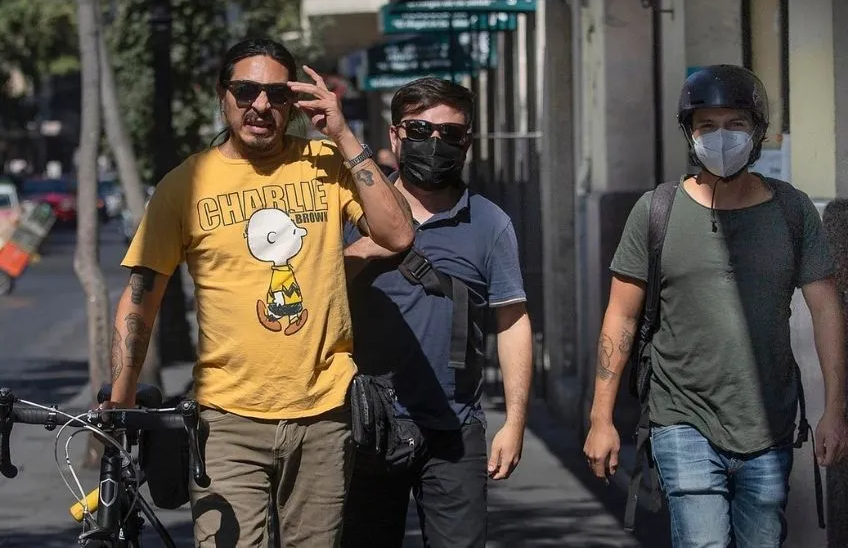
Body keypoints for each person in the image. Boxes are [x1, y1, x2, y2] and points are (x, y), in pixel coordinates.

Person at [105, 38, 414, 548]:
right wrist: (118, 406)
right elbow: (141, 298)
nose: (262, 106)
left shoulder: (325, 163)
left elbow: (398, 234)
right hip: (226, 423)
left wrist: (342, 133)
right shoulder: (185, 185)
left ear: (293, 102)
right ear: (223, 95)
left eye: (276, 93)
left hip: (323, 413)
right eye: (246, 90)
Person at [582, 64, 848, 547]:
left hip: (768, 421)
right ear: (690, 133)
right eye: (707, 126)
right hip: (681, 416)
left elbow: (827, 308)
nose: (721, 138)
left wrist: (835, 408)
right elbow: (621, 316)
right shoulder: (655, 211)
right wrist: (601, 418)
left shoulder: (792, 212)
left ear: (758, 132)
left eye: (736, 125)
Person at [340, 77, 533, 548]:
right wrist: (360, 254)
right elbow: (314, 308)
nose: (434, 143)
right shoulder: (349, 212)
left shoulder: (489, 222)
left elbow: (512, 321)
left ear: (466, 142)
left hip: (455, 430)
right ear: (395, 136)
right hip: (366, 427)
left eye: (450, 135)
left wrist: (515, 420)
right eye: (420, 130)